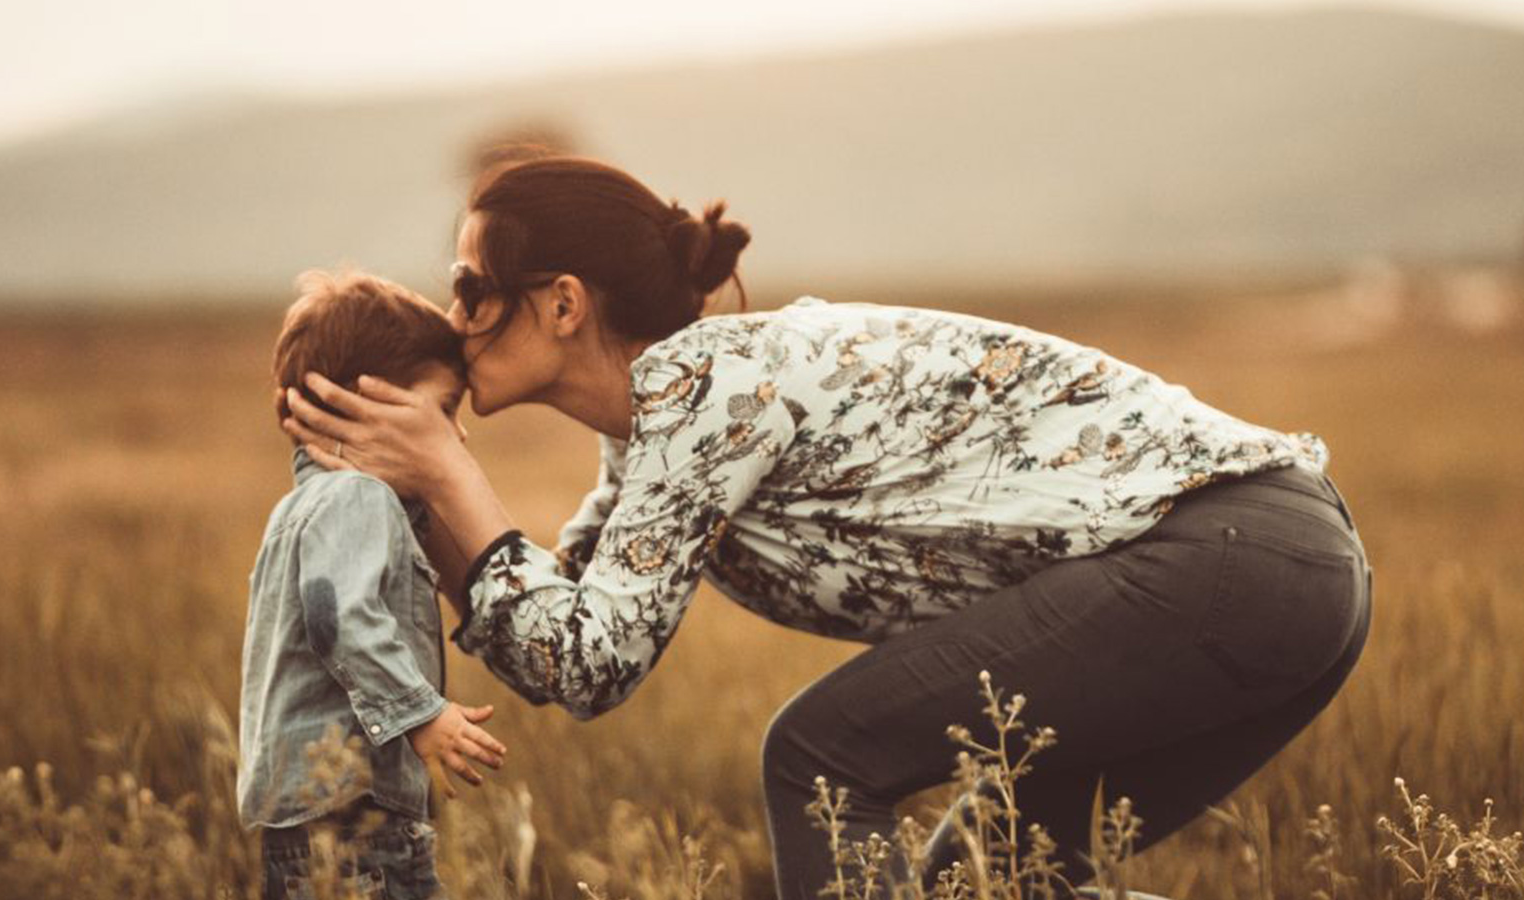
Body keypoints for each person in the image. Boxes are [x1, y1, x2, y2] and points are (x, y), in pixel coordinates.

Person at [280, 157, 1373, 899]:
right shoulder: (653, 445)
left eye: (470, 285)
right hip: (1277, 574)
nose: (454, 312)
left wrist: (450, 472)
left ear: (562, 302)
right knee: (986, 885)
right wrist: (424, 493)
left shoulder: (707, 386)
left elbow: (595, 657)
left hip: (1233, 558)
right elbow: (563, 656)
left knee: (817, 758)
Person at [240, 269, 508, 900]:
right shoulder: (357, 497)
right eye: (444, 410)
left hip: (310, 809)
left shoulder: (302, 507)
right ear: (368, 402)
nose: (456, 436)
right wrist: (421, 715)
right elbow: (340, 618)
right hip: (350, 808)